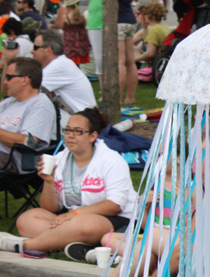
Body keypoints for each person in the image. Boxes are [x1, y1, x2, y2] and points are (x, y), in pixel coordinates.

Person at [0, 108, 138, 253]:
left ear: (92, 136)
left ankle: (27, 245)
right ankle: (78, 244)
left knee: (81, 225)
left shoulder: (111, 160)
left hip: (112, 218)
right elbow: (50, 208)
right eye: (67, 130)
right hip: (72, 218)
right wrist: (48, 181)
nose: (71, 136)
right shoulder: (59, 159)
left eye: (78, 131)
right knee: (26, 220)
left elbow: (115, 205)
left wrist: (75, 214)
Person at [0, 57, 55, 173]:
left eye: (9, 77)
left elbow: (27, 142)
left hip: (13, 161)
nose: (5, 82)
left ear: (24, 80)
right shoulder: (9, 102)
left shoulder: (40, 105)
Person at [31, 30, 96, 116]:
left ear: (48, 50)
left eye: (35, 47)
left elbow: (26, 89)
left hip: (82, 122)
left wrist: (8, 60)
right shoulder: (61, 63)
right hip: (79, 117)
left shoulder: (59, 65)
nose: (31, 51)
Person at [51, 0, 90, 65]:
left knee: (70, 64)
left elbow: (62, 27)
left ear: (67, 6)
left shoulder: (66, 18)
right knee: (79, 65)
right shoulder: (81, 17)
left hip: (70, 45)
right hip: (81, 46)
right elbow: (85, 28)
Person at [118, 0, 138, 106]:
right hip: (130, 19)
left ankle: (118, 99)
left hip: (118, 20)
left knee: (119, 61)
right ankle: (130, 97)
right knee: (130, 61)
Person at [85, 0, 102, 92]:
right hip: (94, 24)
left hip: (100, 23)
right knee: (98, 58)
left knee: (100, 58)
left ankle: (105, 89)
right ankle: (103, 89)